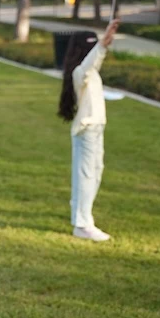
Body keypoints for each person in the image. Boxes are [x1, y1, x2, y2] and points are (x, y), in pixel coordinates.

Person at [57, 19, 120, 242]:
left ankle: (80, 216)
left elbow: (95, 62)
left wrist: (104, 43)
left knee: (94, 172)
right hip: (87, 130)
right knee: (86, 176)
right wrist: (102, 44)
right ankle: (83, 224)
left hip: (95, 128)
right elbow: (91, 63)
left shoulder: (90, 73)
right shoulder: (79, 73)